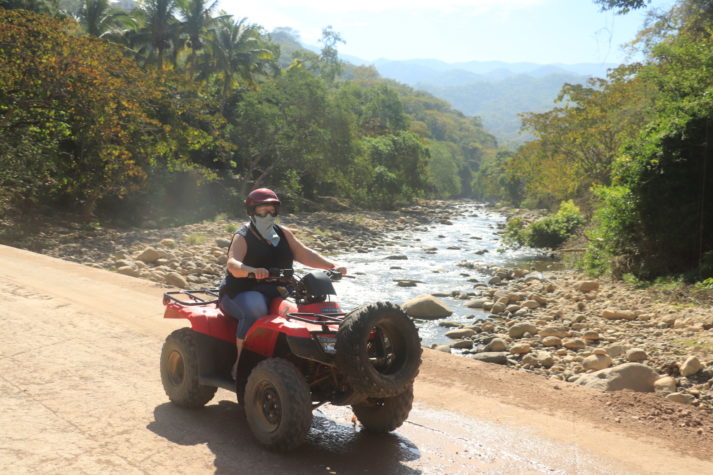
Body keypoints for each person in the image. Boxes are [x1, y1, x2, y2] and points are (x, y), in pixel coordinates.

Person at [219, 188, 347, 379]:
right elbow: (232, 264)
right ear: (252, 212)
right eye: (263, 211)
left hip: (279, 289)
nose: (268, 215)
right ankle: (240, 364)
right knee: (256, 310)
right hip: (242, 290)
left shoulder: (283, 233)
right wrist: (251, 270)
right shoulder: (243, 235)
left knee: (309, 309)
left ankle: (321, 356)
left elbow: (304, 253)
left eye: (272, 210)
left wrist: (332, 265)